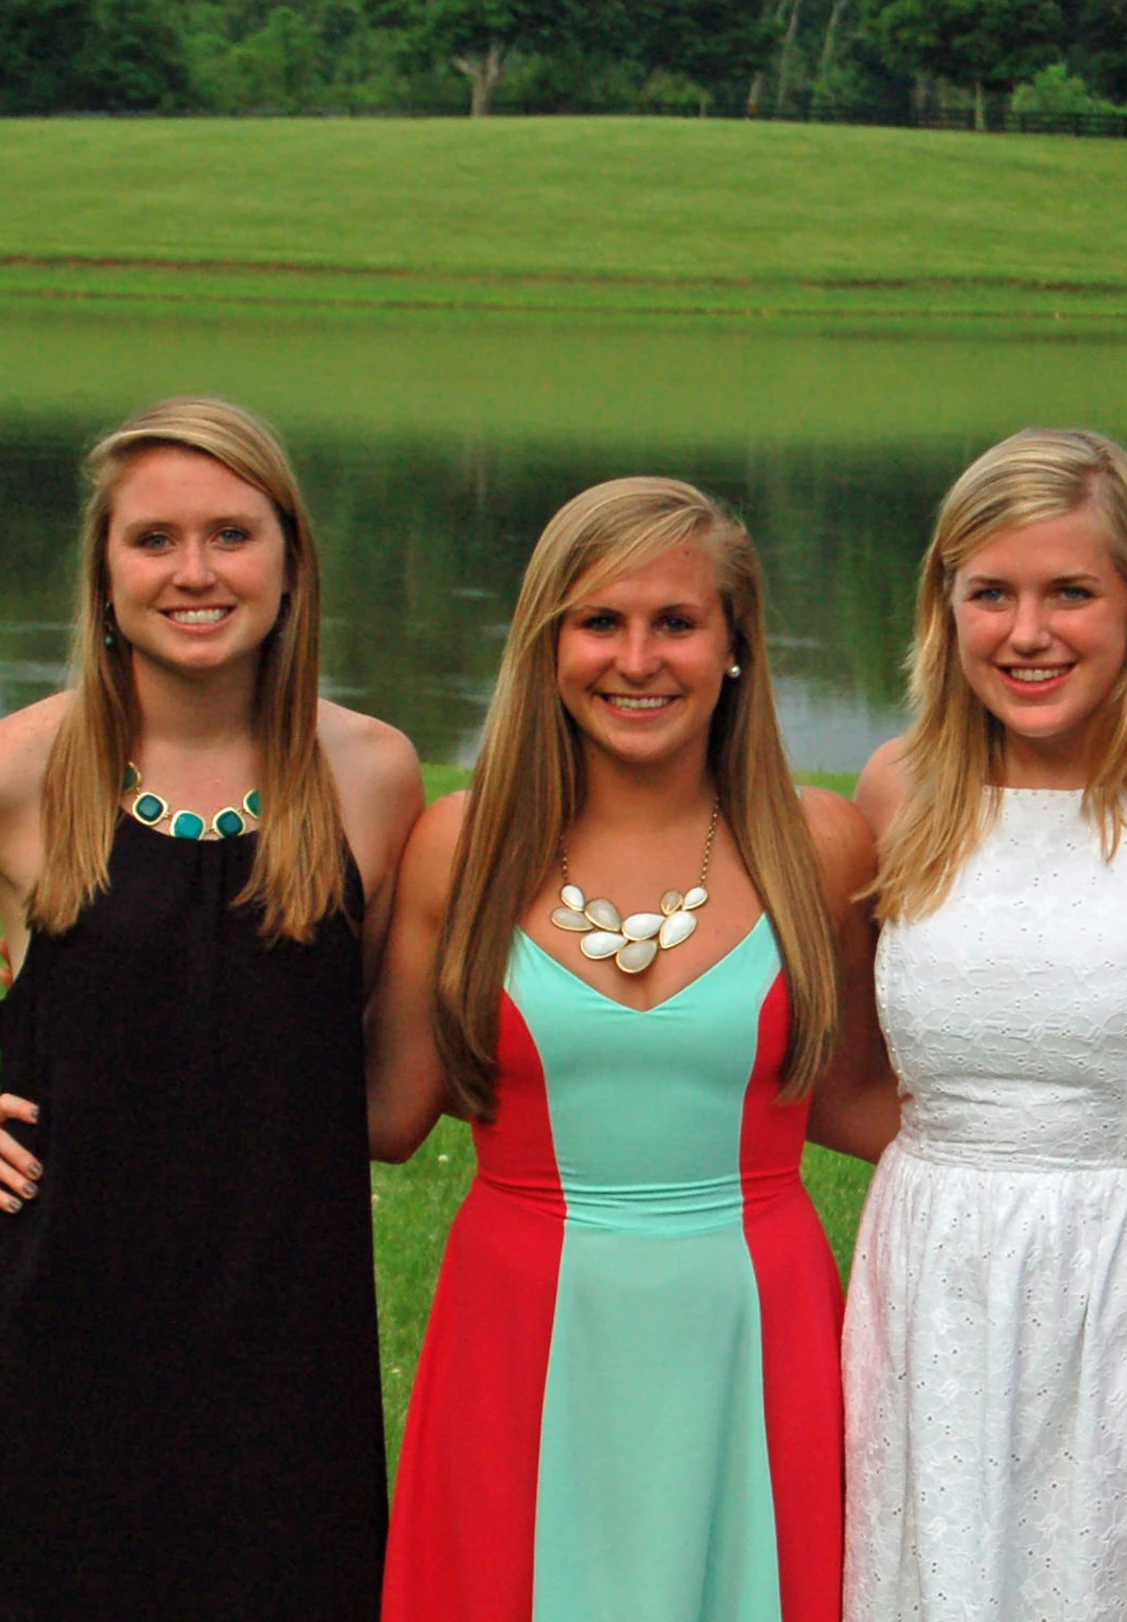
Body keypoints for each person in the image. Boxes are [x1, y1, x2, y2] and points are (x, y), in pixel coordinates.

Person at [0, 398, 426, 1620]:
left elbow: (379, 1089)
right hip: (36, 1331)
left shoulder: (372, 774)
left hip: (280, 1344)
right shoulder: (12, 770)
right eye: (154, 539)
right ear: (104, 571)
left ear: (290, 559)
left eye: (231, 534)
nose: (194, 572)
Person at [367, 476, 892, 1622]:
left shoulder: (820, 843)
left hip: (751, 1320)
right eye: (600, 621)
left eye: (677, 622)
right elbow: (385, 1111)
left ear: (737, 645)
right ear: (547, 643)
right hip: (520, 1317)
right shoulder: (462, 847)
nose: (637, 658)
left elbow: (862, 1099)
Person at [841, 428, 1127, 1622]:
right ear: (947, 605)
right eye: (991, 593)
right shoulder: (902, 787)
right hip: (939, 1269)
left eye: (1070, 592)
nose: (1027, 633)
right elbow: (849, 1074)